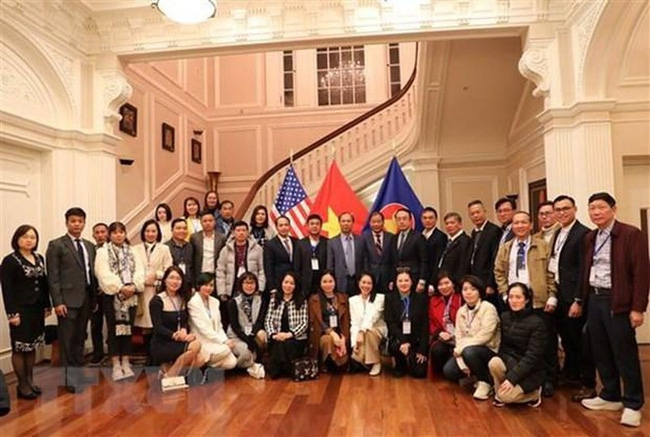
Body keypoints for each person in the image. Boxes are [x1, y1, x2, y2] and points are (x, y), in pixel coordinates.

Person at [579, 192, 649, 428]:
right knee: (601, 349)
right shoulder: (591, 237)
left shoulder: (630, 234)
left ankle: (632, 403)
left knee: (624, 353)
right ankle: (610, 394)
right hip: (594, 298)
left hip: (617, 300)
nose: (596, 212)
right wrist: (581, 299)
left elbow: (641, 273)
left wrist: (638, 308)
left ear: (613, 209)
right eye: (592, 208)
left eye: (601, 207)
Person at [494, 211, 558, 397]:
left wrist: (552, 295)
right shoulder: (506, 247)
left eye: (523, 222)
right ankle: (523, 378)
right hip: (514, 300)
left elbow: (551, 273)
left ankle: (548, 380)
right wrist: (505, 294)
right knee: (518, 343)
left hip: (539, 301)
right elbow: (498, 272)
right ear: (512, 226)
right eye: (516, 223)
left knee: (546, 345)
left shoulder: (543, 246)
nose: (520, 226)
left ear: (530, 225)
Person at [549, 195, 595, 401]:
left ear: (575, 209)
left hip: (573, 297)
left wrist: (578, 300)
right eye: (557, 209)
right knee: (567, 339)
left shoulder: (583, 234)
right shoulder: (559, 232)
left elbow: (584, 270)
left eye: (565, 208)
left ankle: (588, 383)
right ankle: (572, 375)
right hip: (559, 293)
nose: (561, 212)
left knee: (581, 342)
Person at [46, 207, 97, 393]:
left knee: (79, 339)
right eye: (73, 221)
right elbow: (53, 276)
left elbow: (92, 274)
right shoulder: (56, 245)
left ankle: (78, 375)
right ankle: (69, 380)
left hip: (86, 300)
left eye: (80, 221)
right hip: (67, 301)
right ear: (66, 223)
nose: (77, 224)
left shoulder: (90, 246)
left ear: (84, 223)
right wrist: (57, 302)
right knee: (67, 341)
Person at [1, 225, 50, 399]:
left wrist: (47, 305)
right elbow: (7, 290)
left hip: (37, 310)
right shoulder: (10, 261)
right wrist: (12, 314)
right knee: (20, 347)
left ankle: (30, 381)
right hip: (20, 311)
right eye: (25, 236)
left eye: (33, 237)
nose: (29, 240)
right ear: (17, 239)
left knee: (31, 346)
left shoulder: (39, 258)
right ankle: (22, 385)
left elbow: (44, 284)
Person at [94, 221, 145, 381]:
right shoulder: (103, 252)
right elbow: (102, 273)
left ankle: (126, 361)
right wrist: (120, 287)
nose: (118, 235)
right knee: (114, 329)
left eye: (121, 232)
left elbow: (139, 270)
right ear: (110, 235)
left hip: (131, 296)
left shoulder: (132, 251)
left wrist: (133, 286)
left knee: (128, 329)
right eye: (115, 232)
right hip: (112, 296)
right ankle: (116, 363)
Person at [442, 276, 500, 400]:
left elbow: (486, 336)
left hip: (488, 350)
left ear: (479, 291)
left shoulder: (488, 308)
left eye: (473, 289)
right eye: (465, 289)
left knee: (470, 352)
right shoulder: (461, 311)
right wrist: (462, 362)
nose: (468, 292)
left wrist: (463, 349)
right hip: (466, 351)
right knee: (449, 371)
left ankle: (486, 383)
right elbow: (459, 337)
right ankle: (477, 375)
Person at [489, 283, 547, 408]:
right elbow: (503, 348)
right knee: (494, 362)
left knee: (505, 396)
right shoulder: (504, 317)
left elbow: (532, 357)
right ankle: (502, 393)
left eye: (518, 297)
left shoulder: (537, 323)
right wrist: (511, 373)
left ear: (526, 300)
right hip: (511, 363)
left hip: (531, 371)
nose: (514, 301)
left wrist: (512, 378)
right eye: (511, 297)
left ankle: (534, 394)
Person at [150, 266, 205, 377]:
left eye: (178, 279)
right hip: (162, 342)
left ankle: (168, 370)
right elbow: (158, 327)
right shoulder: (157, 300)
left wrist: (184, 331)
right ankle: (171, 375)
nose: (175, 282)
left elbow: (184, 321)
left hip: (178, 340)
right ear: (165, 280)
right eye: (172, 278)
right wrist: (175, 335)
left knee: (201, 360)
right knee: (196, 345)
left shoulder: (182, 298)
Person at [133, 220, 173, 365]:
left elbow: (169, 269)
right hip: (141, 291)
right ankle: (147, 355)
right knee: (144, 326)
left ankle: (156, 356)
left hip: (156, 290)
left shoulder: (164, 249)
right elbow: (132, 269)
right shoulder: (135, 249)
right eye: (147, 231)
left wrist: (156, 275)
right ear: (143, 232)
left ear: (158, 233)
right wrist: (143, 279)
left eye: (153, 231)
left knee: (156, 323)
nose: (150, 234)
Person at [187, 273, 237, 370]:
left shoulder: (215, 302)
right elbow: (203, 329)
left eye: (211, 285)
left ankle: (206, 366)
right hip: (202, 340)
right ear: (199, 286)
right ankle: (201, 362)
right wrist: (223, 341)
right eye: (205, 285)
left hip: (216, 340)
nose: (209, 288)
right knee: (226, 350)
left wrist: (225, 340)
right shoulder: (193, 303)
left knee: (232, 363)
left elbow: (219, 326)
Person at [385, 268, 429, 378]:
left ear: (412, 282)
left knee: (419, 373)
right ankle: (400, 364)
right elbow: (390, 323)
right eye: (400, 281)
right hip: (399, 339)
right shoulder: (390, 298)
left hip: (416, 340)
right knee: (395, 347)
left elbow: (425, 324)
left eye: (406, 280)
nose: (403, 283)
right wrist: (403, 341)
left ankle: (411, 359)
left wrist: (422, 349)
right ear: (396, 282)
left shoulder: (421, 299)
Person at [265, 272, 309, 379]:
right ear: (281, 283)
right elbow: (268, 320)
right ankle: (283, 369)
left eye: (291, 283)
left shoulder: (301, 300)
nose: (288, 286)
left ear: (295, 286)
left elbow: (304, 323)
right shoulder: (274, 298)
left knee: (286, 344)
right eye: (286, 282)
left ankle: (282, 370)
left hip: (296, 338)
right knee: (279, 344)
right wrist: (273, 334)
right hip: (277, 335)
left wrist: (290, 334)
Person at [226, 273, 267, 379]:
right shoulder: (233, 302)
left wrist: (252, 335)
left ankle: (252, 362)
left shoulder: (260, 300)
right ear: (241, 284)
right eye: (246, 283)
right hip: (237, 335)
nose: (249, 286)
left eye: (252, 283)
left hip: (253, 333)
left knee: (263, 336)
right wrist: (247, 340)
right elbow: (235, 326)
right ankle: (236, 367)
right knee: (246, 353)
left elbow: (260, 321)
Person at [308, 270, 350, 373]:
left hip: (340, 335)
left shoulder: (343, 298)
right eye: (325, 282)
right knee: (328, 340)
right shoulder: (314, 300)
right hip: (322, 335)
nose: (328, 284)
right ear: (320, 283)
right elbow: (317, 321)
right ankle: (327, 363)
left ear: (335, 282)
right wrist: (332, 333)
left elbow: (346, 321)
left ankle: (338, 362)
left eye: (330, 281)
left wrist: (343, 339)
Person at [349, 272, 387, 376]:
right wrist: (354, 343)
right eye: (363, 282)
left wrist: (361, 332)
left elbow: (372, 317)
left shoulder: (380, 298)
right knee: (357, 356)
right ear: (358, 283)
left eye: (369, 283)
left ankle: (376, 362)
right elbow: (354, 323)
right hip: (361, 334)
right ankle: (368, 360)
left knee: (369, 332)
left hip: (377, 329)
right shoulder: (352, 300)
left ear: (373, 285)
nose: (366, 286)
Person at [467, 200, 502, 310]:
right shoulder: (474, 232)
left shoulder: (494, 230)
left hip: (487, 281)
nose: (476, 216)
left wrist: (490, 284)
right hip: (476, 280)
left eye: (478, 212)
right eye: (472, 214)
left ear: (485, 212)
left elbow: (494, 259)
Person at [428, 272, 462, 376]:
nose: (444, 287)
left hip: (460, 338)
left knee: (450, 371)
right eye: (440, 284)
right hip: (443, 337)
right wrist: (439, 333)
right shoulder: (433, 300)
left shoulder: (461, 298)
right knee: (437, 350)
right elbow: (430, 321)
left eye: (447, 283)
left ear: (453, 284)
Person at [388, 209, 428, 293]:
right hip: (398, 280)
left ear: (410, 220)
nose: (401, 221)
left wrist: (422, 280)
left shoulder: (419, 237)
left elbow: (424, 260)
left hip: (414, 279)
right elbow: (392, 261)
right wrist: (391, 279)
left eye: (404, 218)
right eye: (399, 219)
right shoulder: (393, 238)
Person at [327, 212, 363, 296]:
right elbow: (330, 265)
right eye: (343, 221)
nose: (346, 223)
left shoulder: (361, 240)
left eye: (348, 221)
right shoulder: (332, 242)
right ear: (339, 223)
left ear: (352, 223)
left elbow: (364, 260)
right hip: (340, 282)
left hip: (358, 281)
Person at [294, 214, 328, 297]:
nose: (314, 226)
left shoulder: (327, 242)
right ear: (307, 226)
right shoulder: (300, 244)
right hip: (305, 284)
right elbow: (296, 266)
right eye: (312, 224)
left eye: (317, 224)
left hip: (323, 283)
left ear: (321, 226)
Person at [360, 212, 394, 294]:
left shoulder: (391, 237)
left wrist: (392, 278)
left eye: (379, 221)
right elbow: (363, 258)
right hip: (371, 277)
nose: (376, 224)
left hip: (387, 277)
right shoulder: (364, 237)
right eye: (373, 222)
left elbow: (393, 258)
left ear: (383, 222)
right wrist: (366, 276)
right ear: (369, 223)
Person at [435, 212, 473, 286]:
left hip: (456, 283)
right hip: (445, 281)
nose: (449, 226)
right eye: (447, 223)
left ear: (460, 224)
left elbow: (463, 265)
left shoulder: (465, 241)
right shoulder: (447, 241)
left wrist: (458, 283)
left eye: (452, 223)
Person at [90, 222, 109, 365]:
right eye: (97, 232)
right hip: (93, 293)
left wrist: (106, 285)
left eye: (103, 232)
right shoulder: (90, 250)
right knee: (95, 325)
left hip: (110, 291)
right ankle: (98, 353)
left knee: (112, 324)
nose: (100, 235)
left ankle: (113, 353)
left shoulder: (112, 249)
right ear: (93, 235)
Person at [263, 215, 297, 296]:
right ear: (276, 227)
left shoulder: (297, 242)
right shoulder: (270, 244)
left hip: (294, 284)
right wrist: (272, 287)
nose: (284, 227)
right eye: (281, 225)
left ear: (290, 226)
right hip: (278, 283)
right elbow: (268, 267)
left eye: (286, 225)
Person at [190, 210, 226, 279]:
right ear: (201, 223)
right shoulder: (194, 237)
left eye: (210, 220)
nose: (208, 223)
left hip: (216, 274)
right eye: (205, 221)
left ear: (214, 222)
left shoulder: (222, 237)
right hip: (199, 274)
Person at [421, 207, 448, 292]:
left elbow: (438, 261)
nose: (427, 220)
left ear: (436, 219)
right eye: (425, 218)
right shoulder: (419, 236)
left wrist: (433, 283)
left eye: (430, 218)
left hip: (432, 280)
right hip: (420, 280)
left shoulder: (441, 236)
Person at [165, 218, 195, 289]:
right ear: (172, 230)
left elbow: (193, 268)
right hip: (172, 285)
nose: (182, 231)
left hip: (188, 285)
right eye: (178, 228)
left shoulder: (190, 247)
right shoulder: (165, 247)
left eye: (184, 228)